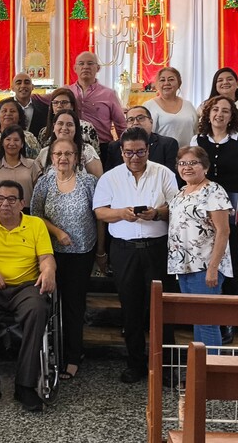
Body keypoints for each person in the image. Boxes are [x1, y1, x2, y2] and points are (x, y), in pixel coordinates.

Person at [93, 126, 179, 383]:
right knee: (130, 309)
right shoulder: (110, 177)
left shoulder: (163, 173)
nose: (135, 157)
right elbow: (100, 211)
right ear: (121, 151)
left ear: (148, 150)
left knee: (162, 309)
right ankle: (135, 364)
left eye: (140, 152)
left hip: (157, 249)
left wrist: (157, 213)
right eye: (129, 152)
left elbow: (176, 205)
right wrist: (121, 213)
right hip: (124, 251)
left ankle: (166, 367)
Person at [0, 180, 56, 411]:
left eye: (12, 199)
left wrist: (49, 270)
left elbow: (46, 258)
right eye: (1, 199)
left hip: (26, 287)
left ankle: (25, 385)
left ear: (22, 203)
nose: (5, 204)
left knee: (38, 310)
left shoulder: (35, 224)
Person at [30, 138, 97, 379]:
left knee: (73, 304)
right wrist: (57, 232)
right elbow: (35, 217)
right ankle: (49, 351)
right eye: (58, 154)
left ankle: (72, 355)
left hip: (81, 253)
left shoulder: (89, 182)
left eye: (68, 153)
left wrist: (101, 251)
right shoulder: (45, 182)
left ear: (77, 157)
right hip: (51, 252)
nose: (63, 158)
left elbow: (98, 216)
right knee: (47, 302)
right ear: (51, 157)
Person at [191, 96, 238, 311]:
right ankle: (204, 311)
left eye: (225, 111)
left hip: (235, 211)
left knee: (231, 264)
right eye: (215, 109)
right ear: (208, 113)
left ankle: (229, 316)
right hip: (202, 212)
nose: (219, 114)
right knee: (204, 260)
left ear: (232, 116)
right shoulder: (197, 140)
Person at [166, 146, 233, 349]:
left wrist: (213, 268)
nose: (187, 167)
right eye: (182, 163)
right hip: (184, 266)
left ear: (205, 166)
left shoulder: (213, 190)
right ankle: (199, 373)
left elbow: (223, 231)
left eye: (193, 162)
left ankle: (211, 373)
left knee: (207, 322)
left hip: (205, 266)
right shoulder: (181, 191)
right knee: (197, 319)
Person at [69, 52, 128, 164]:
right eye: (81, 64)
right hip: (72, 147)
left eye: (90, 63)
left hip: (102, 148)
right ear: (75, 68)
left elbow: (121, 126)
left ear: (98, 68)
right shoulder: (67, 92)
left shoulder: (109, 94)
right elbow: (43, 100)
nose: (85, 67)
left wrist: (125, 149)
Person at [106, 106, 180, 177]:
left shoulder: (168, 144)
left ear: (151, 121)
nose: (135, 123)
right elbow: (110, 176)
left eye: (140, 118)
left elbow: (173, 176)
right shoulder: (115, 147)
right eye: (131, 119)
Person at [0, 126, 42, 213]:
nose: (12, 143)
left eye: (16, 140)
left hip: (27, 213)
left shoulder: (32, 165)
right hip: (0, 212)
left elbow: (39, 197)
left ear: (22, 144)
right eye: (8, 139)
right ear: (2, 143)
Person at [35, 109, 103, 177]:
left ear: (76, 128)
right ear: (54, 126)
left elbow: (98, 181)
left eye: (69, 124)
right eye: (60, 123)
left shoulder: (87, 151)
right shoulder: (44, 153)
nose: (64, 128)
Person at [143, 67, 199, 148]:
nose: (166, 83)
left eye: (171, 79)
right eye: (162, 80)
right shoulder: (149, 106)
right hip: (160, 155)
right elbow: (146, 135)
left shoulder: (188, 105)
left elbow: (196, 132)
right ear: (157, 84)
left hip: (186, 156)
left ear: (179, 83)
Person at [38, 86, 100, 153]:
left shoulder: (87, 128)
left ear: (72, 106)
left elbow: (96, 154)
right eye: (55, 103)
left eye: (64, 102)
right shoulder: (44, 132)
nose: (59, 105)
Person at [0, 97, 40, 162]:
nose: (8, 114)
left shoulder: (29, 138)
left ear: (19, 116)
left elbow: (38, 162)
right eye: (4, 111)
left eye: (12, 111)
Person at [204, 67, 238, 135]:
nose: (225, 82)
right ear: (215, 86)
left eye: (229, 79)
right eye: (220, 80)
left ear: (237, 84)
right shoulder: (206, 106)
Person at [12, 72, 48, 136]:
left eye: (27, 82)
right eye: (19, 83)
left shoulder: (44, 109)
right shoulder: (2, 108)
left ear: (32, 87)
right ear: (12, 88)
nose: (23, 86)